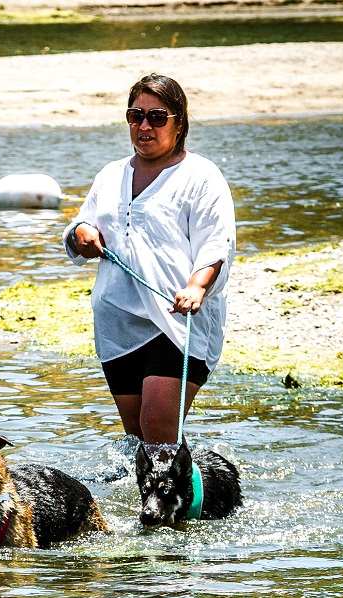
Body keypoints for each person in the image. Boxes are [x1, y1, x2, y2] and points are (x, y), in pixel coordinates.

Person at [62, 74, 235, 445]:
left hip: (176, 320)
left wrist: (195, 286)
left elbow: (216, 245)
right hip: (117, 325)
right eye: (135, 116)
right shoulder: (111, 175)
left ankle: (196, 501)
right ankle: (159, 503)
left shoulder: (201, 176)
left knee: (158, 426)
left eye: (157, 117)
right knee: (139, 437)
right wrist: (80, 234)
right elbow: (82, 224)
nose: (144, 126)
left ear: (179, 122)